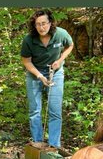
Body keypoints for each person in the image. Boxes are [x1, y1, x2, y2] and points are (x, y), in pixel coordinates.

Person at [20, 9, 74, 151]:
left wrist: (60, 60)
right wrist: (40, 76)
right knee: (35, 111)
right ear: (34, 25)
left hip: (55, 73)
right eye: (38, 24)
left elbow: (70, 45)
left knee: (55, 110)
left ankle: (54, 146)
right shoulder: (28, 40)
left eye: (44, 23)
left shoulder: (61, 34)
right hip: (35, 74)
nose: (41, 27)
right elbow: (26, 62)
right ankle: (38, 144)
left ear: (50, 23)